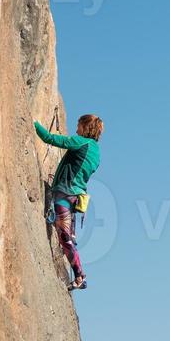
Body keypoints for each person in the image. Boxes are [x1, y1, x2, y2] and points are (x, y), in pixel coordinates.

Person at [34, 114, 104, 291]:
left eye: (79, 126)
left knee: (65, 237)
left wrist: (33, 122)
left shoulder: (82, 142)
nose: (76, 130)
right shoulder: (96, 151)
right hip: (75, 197)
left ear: (86, 128)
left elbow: (50, 138)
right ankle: (78, 271)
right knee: (69, 237)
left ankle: (80, 275)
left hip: (66, 193)